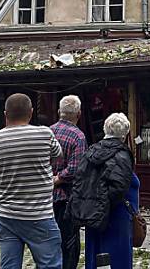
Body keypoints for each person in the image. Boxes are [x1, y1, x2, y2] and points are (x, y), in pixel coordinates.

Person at [0, 93, 63, 269]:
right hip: (39, 215)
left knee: (10, 265)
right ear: (31, 112)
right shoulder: (44, 133)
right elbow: (58, 156)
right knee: (49, 265)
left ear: (5, 114)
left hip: (7, 216)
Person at [69, 112, 139, 269]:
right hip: (115, 215)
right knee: (117, 258)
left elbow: (79, 181)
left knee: (95, 255)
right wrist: (105, 203)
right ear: (125, 134)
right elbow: (119, 187)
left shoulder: (91, 151)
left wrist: (92, 204)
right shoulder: (122, 154)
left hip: (92, 213)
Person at [51, 95, 87, 269]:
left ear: (59, 112)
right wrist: (57, 179)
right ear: (79, 114)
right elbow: (75, 169)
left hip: (44, 198)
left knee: (48, 244)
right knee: (69, 244)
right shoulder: (78, 137)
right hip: (67, 199)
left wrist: (47, 180)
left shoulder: (47, 132)